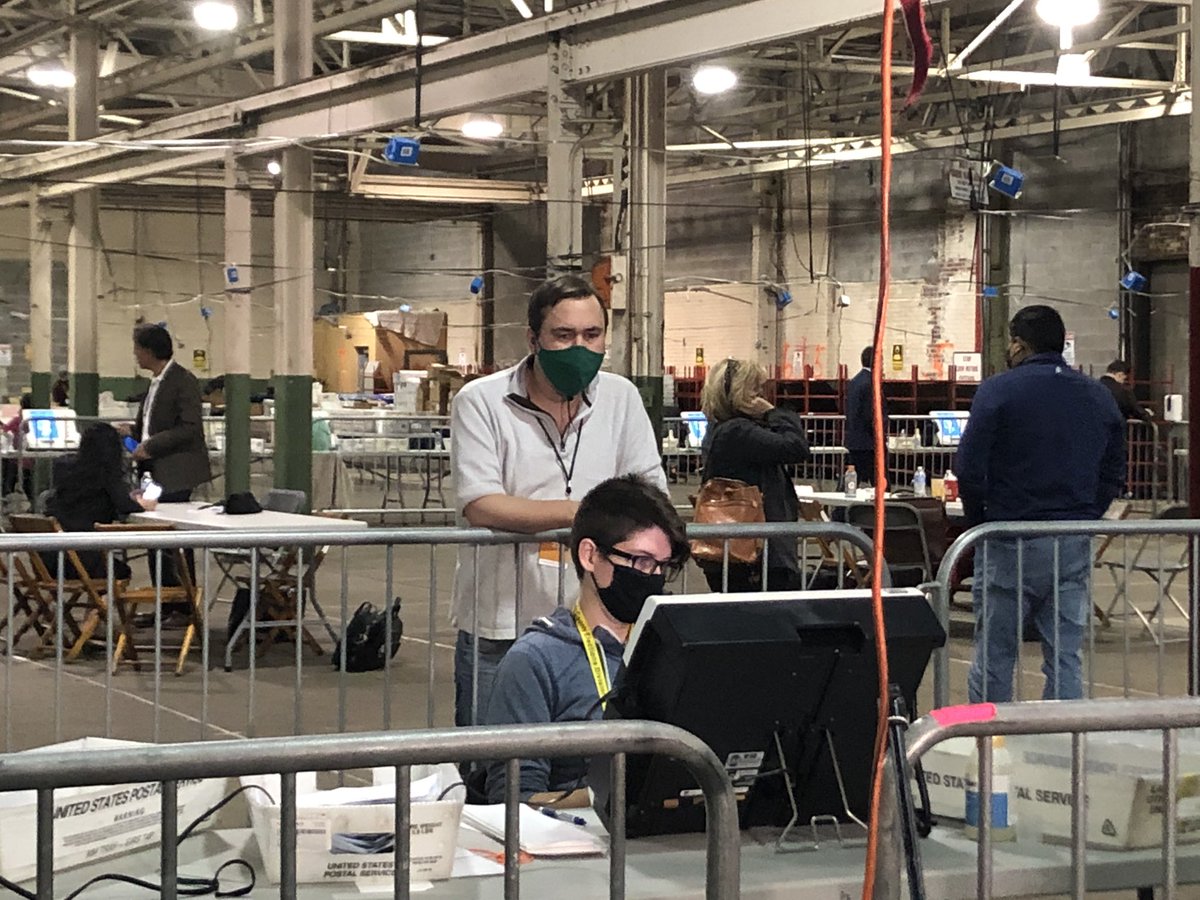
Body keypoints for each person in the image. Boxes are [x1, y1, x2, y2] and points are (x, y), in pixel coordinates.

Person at [450, 274, 668, 727]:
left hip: (600, 625)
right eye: (563, 335)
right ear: (534, 338)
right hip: (502, 623)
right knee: (492, 770)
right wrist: (585, 516)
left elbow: (651, 495)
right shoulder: (481, 402)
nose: (579, 348)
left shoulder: (622, 399)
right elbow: (482, 502)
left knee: (593, 765)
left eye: (592, 335)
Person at [482, 475, 690, 804]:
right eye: (641, 561)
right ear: (589, 555)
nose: (652, 577)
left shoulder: (676, 650)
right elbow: (514, 800)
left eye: (663, 567)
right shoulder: (535, 660)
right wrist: (612, 798)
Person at [956, 305, 1125, 703]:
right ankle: (1062, 743)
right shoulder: (1097, 395)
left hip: (1009, 535)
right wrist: (1086, 514)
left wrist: (980, 522)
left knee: (996, 652)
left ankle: (988, 743)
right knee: (1066, 654)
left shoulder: (998, 390)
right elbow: (1114, 469)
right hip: (1071, 539)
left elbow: (968, 468)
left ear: (1018, 343)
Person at [698, 358, 811, 592]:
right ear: (742, 392)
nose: (762, 395)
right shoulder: (738, 431)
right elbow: (796, 447)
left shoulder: (721, 429)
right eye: (755, 388)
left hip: (742, 549)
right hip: (756, 552)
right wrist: (774, 413)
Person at [43, 423, 157, 581]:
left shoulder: (67, 471)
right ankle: (100, 604)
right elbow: (125, 505)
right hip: (85, 559)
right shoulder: (107, 474)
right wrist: (142, 504)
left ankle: (97, 604)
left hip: (52, 560)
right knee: (121, 571)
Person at [130, 324, 211, 502]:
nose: (135, 354)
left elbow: (189, 427)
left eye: (137, 348)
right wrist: (131, 431)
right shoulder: (155, 382)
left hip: (175, 473)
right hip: (151, 471)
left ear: (149, 351)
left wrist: (150, 446)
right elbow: (154, 423)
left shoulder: (183, 381)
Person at [845, 345, 887, 486]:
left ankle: (842, 508)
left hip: (855, 441)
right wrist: (880, 433)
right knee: (881, 484)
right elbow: (871, 415)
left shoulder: (854, 382)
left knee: (851, 484)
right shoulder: (870, 384)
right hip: (869, 444)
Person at [2, 393, 34, 501]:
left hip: (17, 460)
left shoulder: (18, 420)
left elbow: (6, 430)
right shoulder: (36, 419)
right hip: (30, 461)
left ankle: (6, 497)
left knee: (8, 471)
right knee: (28, 485)